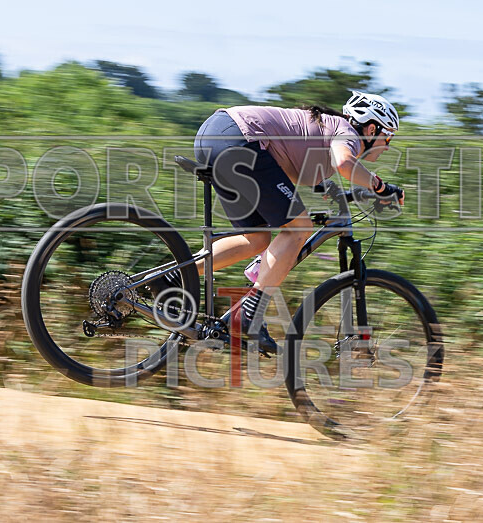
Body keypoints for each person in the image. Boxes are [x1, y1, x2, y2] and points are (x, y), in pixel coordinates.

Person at [155, 91, 403, 354]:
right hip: (239, 140)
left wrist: (354, 193)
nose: (387, 145)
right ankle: (250, 316)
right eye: (387, 136)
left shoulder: (328, 130)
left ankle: (171, 277)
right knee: (299, 229)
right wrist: (379, 186)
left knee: (256, 239)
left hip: (217, 134)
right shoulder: (347, 132)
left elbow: (304, 172)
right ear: (372, 128)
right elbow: (344, 163)